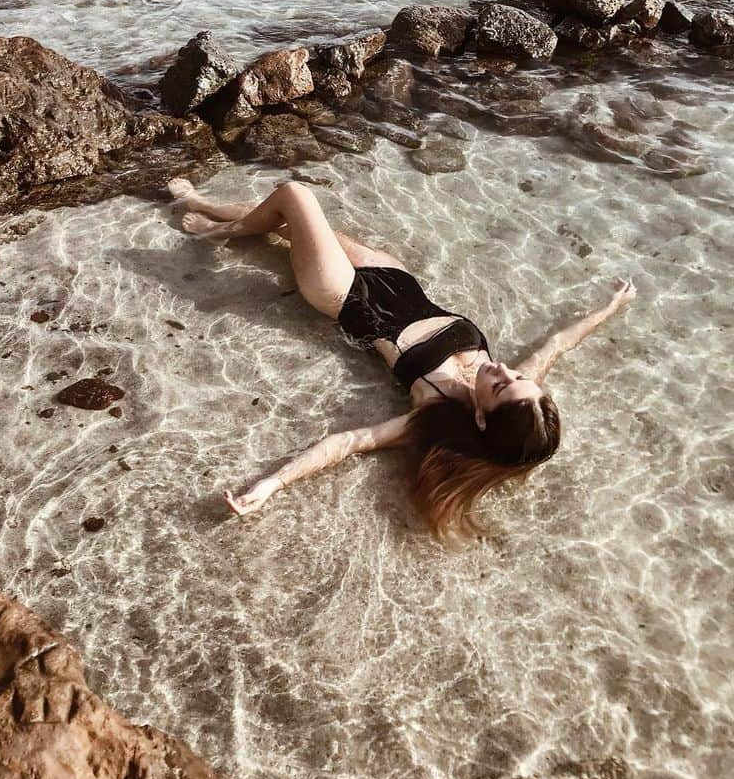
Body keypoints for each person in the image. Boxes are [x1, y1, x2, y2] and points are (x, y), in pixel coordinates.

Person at [168, 177, 637, 542]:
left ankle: (222, 230)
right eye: (515, 375)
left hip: (347, 295)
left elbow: (347, 442)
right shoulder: (518, 393)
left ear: (479, 416)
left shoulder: (430, 413)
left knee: (295, 197)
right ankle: (205, 206)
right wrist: (609, 308)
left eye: (500, 385)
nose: (504, 370)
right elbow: (557, 344)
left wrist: (271, 485)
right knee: (289, 226)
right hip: (394, 276)